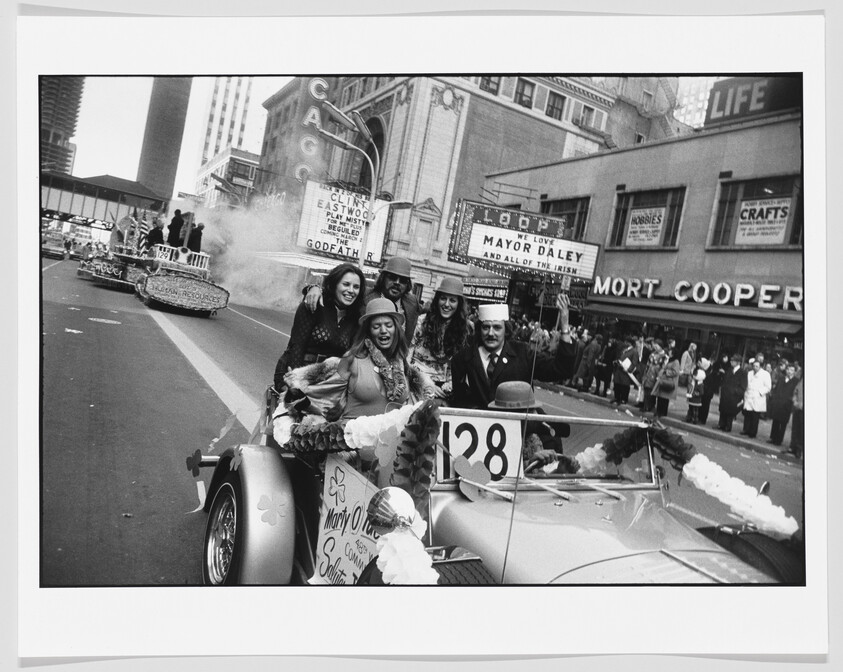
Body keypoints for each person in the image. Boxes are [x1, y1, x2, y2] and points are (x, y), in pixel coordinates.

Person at [273, 263, 367, 392]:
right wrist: (295, 381)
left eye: (356, 287)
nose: (351, 290)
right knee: (293, 407)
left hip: (327, 379)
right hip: (296, 370)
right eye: (346, 284)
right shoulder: (314, 304)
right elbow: (297, 345)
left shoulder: (356, 317)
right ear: (334, 285)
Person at [451, 302, 555, 410]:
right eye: (486, 327)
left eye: (497, 328)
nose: (491, 333)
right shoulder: (463, 358)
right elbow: (459, 400)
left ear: (506, 329)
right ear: (479, 329)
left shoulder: (523, 353)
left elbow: (558, 369)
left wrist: (565, 326)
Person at [304, 256, 421, 346]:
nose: (397, 283)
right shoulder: (364, 295)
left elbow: (433, 310)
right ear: (383, 278)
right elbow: (337, 293)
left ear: (407, 285)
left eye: (403, 280)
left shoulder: (411, 303)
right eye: (392, 277)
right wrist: (315, 288)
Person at [487, 381, 572, 473]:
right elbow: (494, 473)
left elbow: (539, 476)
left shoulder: (533, 439)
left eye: (532, 410)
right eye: (529, 411)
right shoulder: (493, 440)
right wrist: (530, 463)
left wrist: (561, 470)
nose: (534, 414)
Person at [408, 277, 471, 401]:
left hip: (447, 393)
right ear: (437, 300)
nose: (446, 304)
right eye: (443, 298)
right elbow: (406, 358)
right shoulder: (421, 322)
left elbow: (467, 365)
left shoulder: (466, 329)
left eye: (452, 300)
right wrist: (425, 381)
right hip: (418, 387)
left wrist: (451, 385)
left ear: (459, 304)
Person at [768, 363, 798, 445]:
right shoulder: (781, 378)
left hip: (786, 405)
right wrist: (774, 398)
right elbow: (776, 388)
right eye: (788, 369)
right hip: (778, 403)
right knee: (775, 421)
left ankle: (779, 440)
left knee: (783, 423)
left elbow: (795, 394)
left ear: (795, 372)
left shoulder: (796, 381)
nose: (789, 371)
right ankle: (773, 438)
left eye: (792, 370)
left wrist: (790, 402)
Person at [741, 358, 772, 439]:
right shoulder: (750, 373)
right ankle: (745, 430)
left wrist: (759, 392)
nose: (755, 367)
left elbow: (768, 387)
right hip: (749, 396)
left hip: (757, 398)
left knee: (755, 416)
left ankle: (752, 432)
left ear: (760, 367)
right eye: (754, 366)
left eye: (757, 366)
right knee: (747, 414)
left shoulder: (765, 374)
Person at [718, 354, 747, 433]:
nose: (731, 362)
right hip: (725, 394)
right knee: (723, 409)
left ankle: (728, 426)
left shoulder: (742, 372)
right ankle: (721, 424)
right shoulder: (729, 369)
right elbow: (724, 380)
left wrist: (735, 391)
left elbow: (743, 386)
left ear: (738, 362)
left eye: (733, 361)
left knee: (730, 411)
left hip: (734, 396)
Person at [699, 353, 728, 425]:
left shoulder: (712, 370)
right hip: (706, 388)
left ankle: (702, 419)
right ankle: (700, 417)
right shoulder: (713, 367)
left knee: (705, 404)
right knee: (702, 403)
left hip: (709, 389)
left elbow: (715, 380)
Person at [652, 350, 681, 419]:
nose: (669, 353)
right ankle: (659, 411)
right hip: (664, 380)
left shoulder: (676, 362)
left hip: (668, 381)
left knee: (664, 399)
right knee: (660, 397)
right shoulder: (669, 360)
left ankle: (662, 412)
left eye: (670, 352)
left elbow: (675, 372)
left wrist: (666, 371)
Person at [611, 337, 639, 406]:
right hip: (619, 368)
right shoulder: (625, 350)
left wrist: (629, 369)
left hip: (625, 371)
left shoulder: (634, 351)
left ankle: (624, 399)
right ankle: (617, 397)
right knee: (617, 383)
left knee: (624, 385)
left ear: (630, 344)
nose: (625, 343)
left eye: (627, 342)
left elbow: (634, 362)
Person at [640, 340, 666, 413]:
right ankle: (646, 405)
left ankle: (650, 406)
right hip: (649, 373)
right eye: (655, 346)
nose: (655, 347)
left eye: (657, 346)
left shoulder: (664, 356)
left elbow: (663, 367)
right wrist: (645, 374)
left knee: (652, 391)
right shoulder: (652, 354)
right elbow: (647, 365)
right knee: (646, 389)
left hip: (656, 375)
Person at [684, 360, 707, 424]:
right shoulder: (695, 382)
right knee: (690, 409)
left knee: (695, 410)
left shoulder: (700, 384)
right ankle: (689, 418)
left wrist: (695, 393)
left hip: (696, 399)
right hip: (692, 398)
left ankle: (694, 419)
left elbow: (701, 392)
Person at [789, 373, 804, 458]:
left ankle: (799, 449)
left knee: (802, 430)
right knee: (795, 428)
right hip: (797, 408)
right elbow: (795, 392)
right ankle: (792, 446)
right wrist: (794, 401)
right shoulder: (801, 381)